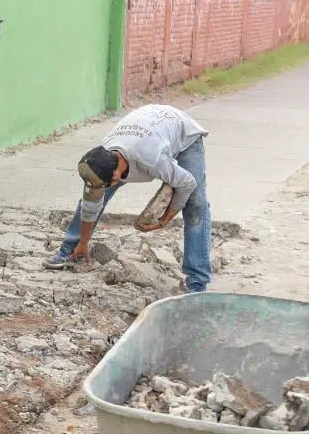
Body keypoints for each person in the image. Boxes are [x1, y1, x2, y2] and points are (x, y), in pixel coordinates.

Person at [43, 104, 212, 293]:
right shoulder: (98, 161)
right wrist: (83, 242)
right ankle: (71, 249)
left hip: (183, 135)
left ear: (116, 176)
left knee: (196, 203)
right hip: (148, 128)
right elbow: (91, 206)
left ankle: (197, 279)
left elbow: (187, 183)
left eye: (106, 183)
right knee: (93, 199)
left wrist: (165, 219)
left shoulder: (149, 159)